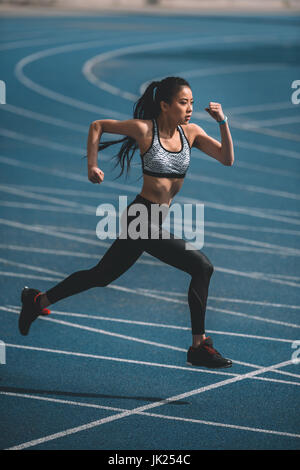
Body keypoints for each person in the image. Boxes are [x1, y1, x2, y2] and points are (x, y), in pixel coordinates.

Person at [19, 76, 234, 369]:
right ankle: (198, 346)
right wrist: (91, 165)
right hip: (141, 217)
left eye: (192, 103)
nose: (189, 108)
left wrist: (223, 121)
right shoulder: (145, 130)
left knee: (101, 275)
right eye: (183, 103)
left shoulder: (191, 133)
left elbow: (226, 158)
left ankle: (37, 301)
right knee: (202, 266)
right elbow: (98, 126)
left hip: (153, 220)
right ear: (164, 105)